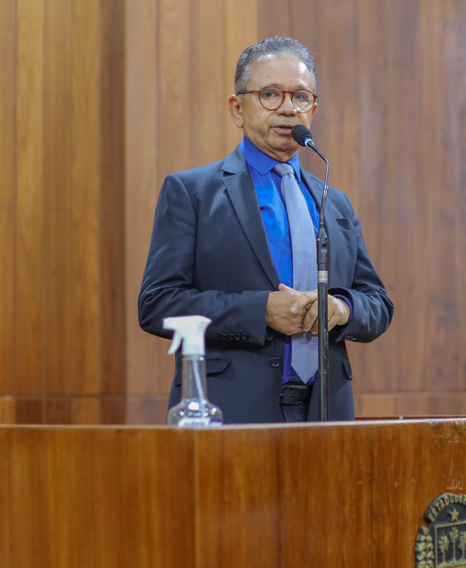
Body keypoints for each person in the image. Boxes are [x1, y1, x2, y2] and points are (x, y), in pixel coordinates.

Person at [138, 36, 393, 423]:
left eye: (301, 97)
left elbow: (377, 303)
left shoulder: (332, 200)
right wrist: (260, 311)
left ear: (313, 108)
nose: (288, 108)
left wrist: (341, 309)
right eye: (270, 94)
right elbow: (158, 303)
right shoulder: (193, 192)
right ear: (237, 108)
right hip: (232, 412)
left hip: (325, 414)